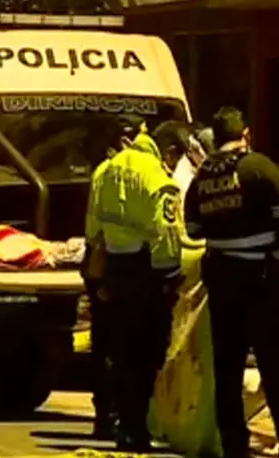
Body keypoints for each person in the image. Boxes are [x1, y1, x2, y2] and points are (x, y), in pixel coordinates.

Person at [183, 106, 279, 458]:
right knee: (274, 367)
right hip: (262, 282)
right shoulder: (259, 167)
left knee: (228, 369)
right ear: (246, 134)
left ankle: (233, 445)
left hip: (223, 284)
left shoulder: (202, 178)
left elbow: (193, 229)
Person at [91, 119, 188, 451]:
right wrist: (170, 278)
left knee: (120, 351)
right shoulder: (158, 177)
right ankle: (135, 426)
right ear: (169, 151)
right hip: (146, 272)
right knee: (148, 354)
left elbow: (94, 225)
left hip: (115, 268)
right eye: (176, 158)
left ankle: (121, 424)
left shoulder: (107, 169)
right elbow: (166, 232)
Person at [82, 114, 145, 439]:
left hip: (106, 264)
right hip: (124, 265)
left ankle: (106, 414)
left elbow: (93, 229)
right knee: (122, 345)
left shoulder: (104, 173)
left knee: (106, 343)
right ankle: (118, 414)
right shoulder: (140, 171)